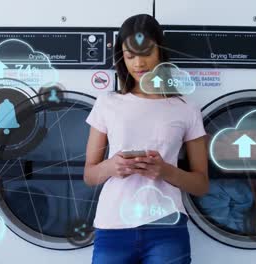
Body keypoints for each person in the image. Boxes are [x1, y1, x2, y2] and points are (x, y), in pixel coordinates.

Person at [83, 14, 209, 264]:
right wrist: (111, 166)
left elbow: (201, 185)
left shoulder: (186, 108)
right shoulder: (107, 103)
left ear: (160, 52)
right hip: (112, 227)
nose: (139, 63)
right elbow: (89, 175)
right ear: (122, 57)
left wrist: (164, 171)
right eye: (130, 56)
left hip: (167, 229)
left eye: (146, 54)